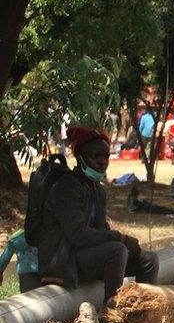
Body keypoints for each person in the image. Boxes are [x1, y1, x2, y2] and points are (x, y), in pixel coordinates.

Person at [38, 126, 158, 303]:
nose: (103, 162)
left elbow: (100, 230)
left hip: (86, 255)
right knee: (117, 250)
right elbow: (77, 236)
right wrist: (121, 238)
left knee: (149, 259)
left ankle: (145, 311)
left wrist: (120, 239)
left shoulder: (97, 189)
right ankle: (111, 315)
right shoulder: (67, 187)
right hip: (65, 259)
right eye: (96, 157)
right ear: (80, 158)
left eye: (106, 156)